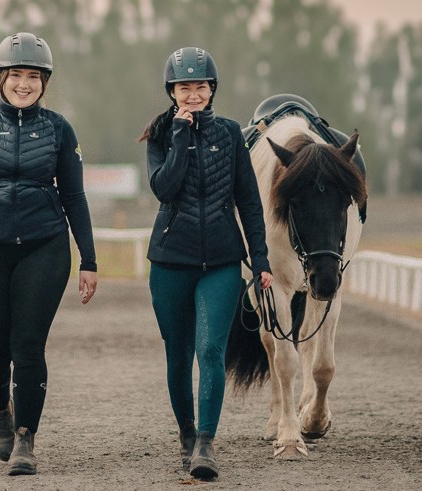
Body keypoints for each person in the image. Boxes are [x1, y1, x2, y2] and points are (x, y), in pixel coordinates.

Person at [0, 32, 98, 476]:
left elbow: (76, 198)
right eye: (15, 76)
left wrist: (89, 258)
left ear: (44, 81)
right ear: (1, 78)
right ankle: (0, 409)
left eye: (32, 76)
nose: (23, 84)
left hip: (44, 246)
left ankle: (26, 436)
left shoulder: (60, 130)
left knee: (28, 346)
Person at [138, 47, 273, 480]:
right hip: (169, 262)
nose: (193, 94)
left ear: (212, 89)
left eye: (200, 86)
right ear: (172, 92)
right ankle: (186, 433)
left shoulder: (232, 135)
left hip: (221, 261)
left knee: (211, 349)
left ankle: (206, 444)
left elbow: (250, 204)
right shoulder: (159, 136)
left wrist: (262, 260)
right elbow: (164, 188)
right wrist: (179, 135)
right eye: (184, 87)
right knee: (178, 357)